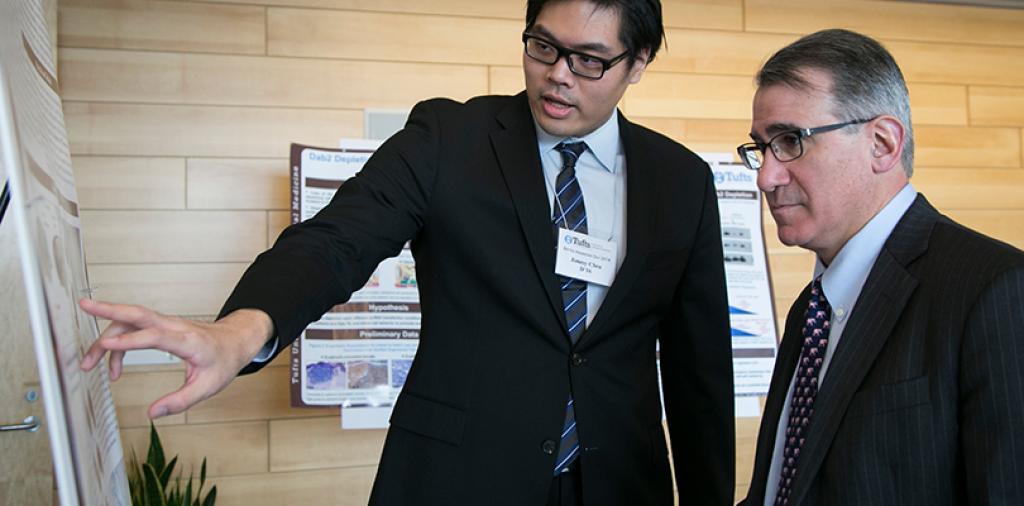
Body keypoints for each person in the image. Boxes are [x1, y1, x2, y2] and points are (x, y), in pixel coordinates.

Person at [80, 1, 736, 504]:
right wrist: (240, 331)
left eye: (589, 59)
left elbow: (697, 370)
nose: (557, 76)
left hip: (620, 482)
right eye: (542, 47)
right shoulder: (449, 139)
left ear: (638, 62)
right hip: (458, 476)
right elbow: (337, 239)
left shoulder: (679, 181)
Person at [736, 29, 1024, 506]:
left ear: (883, 144)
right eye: (762, 148)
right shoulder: (811, 308)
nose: (767, 175)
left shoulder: (994, 290)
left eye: (790, 141)